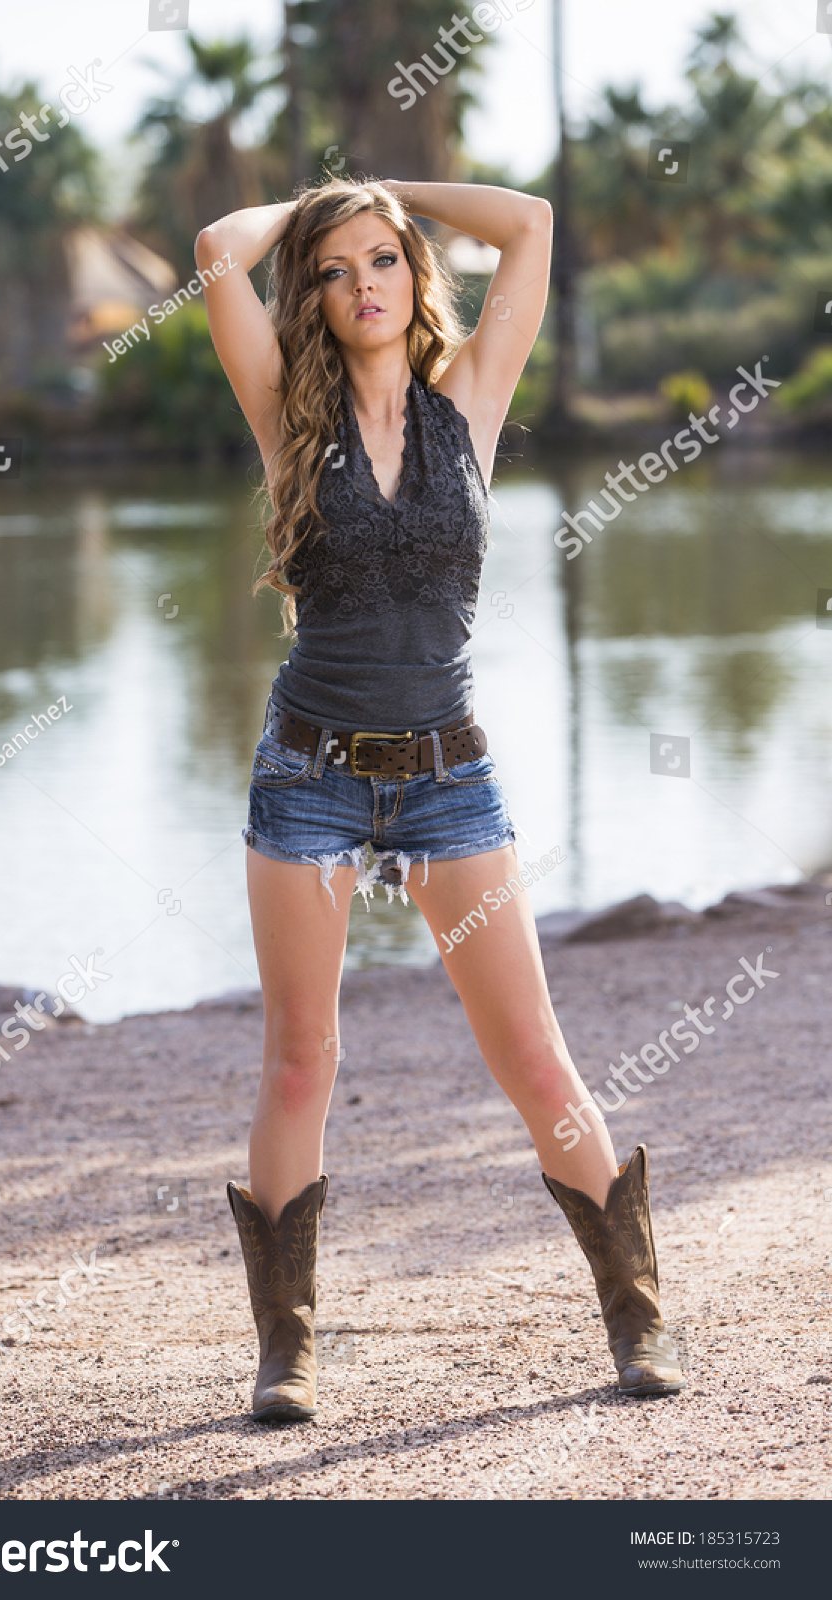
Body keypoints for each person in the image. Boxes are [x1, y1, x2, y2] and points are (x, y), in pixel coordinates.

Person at [195, 175, 683, 1423]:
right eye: (335, 268)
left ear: (414, 278)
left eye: (384, 261)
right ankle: (286, 1350)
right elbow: (213, 249)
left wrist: (387, 191)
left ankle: (635, 1318)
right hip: (307, 774)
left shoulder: (468, 401)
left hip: (447, 777)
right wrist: (315, 206)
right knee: (301, 1059)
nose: (363, 283)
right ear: (311, 291)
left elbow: (529, 219)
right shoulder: (284, 417)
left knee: (531, 1053)